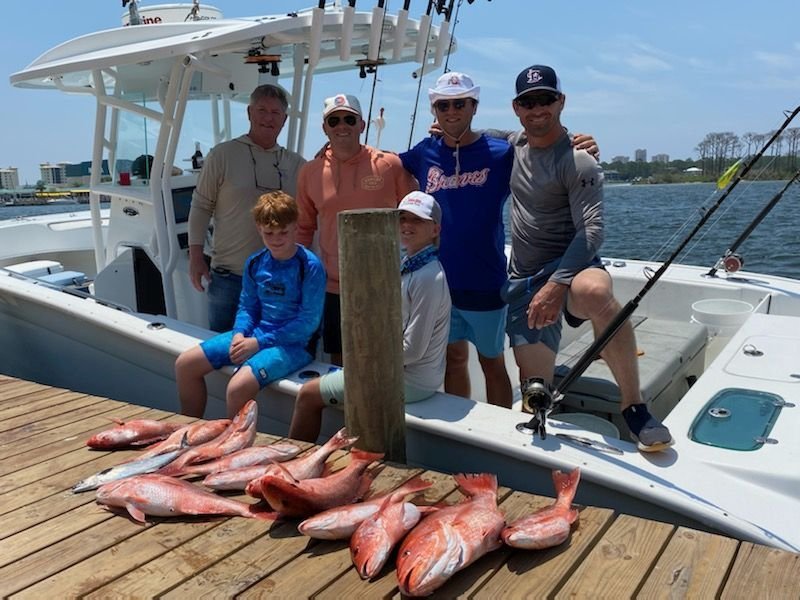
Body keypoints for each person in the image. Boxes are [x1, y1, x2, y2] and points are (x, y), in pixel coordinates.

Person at [399, 72, 599, 410]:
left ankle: (501, 425)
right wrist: (333, 148)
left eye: (460, 104)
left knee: (492, 363)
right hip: (441, 282)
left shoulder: (501, 152)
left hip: (487, 281)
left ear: (474, 106)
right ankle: (460, 426)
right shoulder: (424, 151)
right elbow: (383, 163)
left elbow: (543, 144)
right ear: (434, 110)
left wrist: (580, 143)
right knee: (453, 359)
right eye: (443, 105)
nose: (451, 111)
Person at [502, 64, 673, 452]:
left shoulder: (580, 159)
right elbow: (475, 136)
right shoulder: (513, 143)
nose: (537, 109)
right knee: (536, 394)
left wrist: (556, 285)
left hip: (573, 268)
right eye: (528, 102)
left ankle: (634, 406)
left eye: (546, 99)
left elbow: (592, 232)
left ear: (561, 102)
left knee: (595, 292)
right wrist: (442, 129)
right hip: (525, 277)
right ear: (516, 108)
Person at [289, 191, 450, 442]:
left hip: (411, 382)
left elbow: (413, 350)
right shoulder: (410, 265)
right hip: (401, 371)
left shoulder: (429, 277)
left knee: (308, 395)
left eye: (417, 220)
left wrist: (363, 359)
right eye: (402, 218)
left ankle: (296, 463)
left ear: (435, 229)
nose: (407, 225)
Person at [176, 190, 326, 419]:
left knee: (237, 387)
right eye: (269, 233)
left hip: (295, 345)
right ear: (258, 229)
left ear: (296, 227)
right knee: (185, 364)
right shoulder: (255, 262)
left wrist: (258, 343)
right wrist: (239, 334)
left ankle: (235, 441)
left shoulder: (310, 266)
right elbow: (247, 307)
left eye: (283, 232)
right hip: (255, 335)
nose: (276, 239)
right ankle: (187, 429)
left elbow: (308, 323)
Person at [296, 93, 417, 365]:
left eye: (349, 120)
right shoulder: (309, 172)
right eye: (334, 121)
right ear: (325, 128)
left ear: (361, 125)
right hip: (333, 287)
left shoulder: (389, 165)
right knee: (340, 360)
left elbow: (414, 216)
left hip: (385, 285)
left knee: (383, 357)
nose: (342, 126)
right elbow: (303, 228)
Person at [188, 84, 306, 332]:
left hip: (279, 279)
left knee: (270, 348)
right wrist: (196, 257)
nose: (268, 118)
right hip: (229, 278)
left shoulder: (297, 164)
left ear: (284, 119)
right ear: (249, 113)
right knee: (224, 347)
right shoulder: (221, 155)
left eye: (275, 112)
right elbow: (201, 206)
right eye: (262, 110)